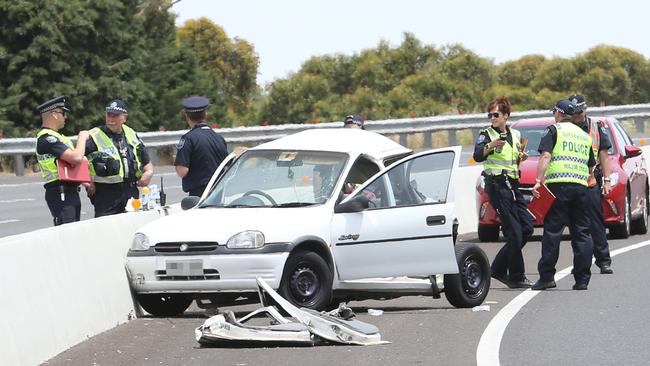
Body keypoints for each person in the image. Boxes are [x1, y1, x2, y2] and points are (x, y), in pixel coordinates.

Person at [531, 99, 596, 291]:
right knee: (582, 233)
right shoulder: (584, 135)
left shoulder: (553, 130)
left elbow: (545, 156)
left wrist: (538, 180)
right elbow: (591, 165)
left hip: (557, 187)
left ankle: (547, 277)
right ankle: (582, 280)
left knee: (552, 232)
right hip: (580, 187)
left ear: (558, 114)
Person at [473, 96, 534, 288]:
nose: (492, 118)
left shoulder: (515, 135)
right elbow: (476, 156)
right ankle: (516, 276)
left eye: (496, 114)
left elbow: (513, 160)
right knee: (514, 232)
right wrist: (490, 146)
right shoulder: (487, 134)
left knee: (527, 227)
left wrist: (521, 158)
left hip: (513, 185)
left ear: (506, 116)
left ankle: (498, 268)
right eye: (490, 115)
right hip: (498, 186)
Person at [85, 99, 154, 217]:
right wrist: (87, 183)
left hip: (131, 192)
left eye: (115, 116)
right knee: (107, 231)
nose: (111, 119)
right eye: (109, 115)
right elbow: (79, 160)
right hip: (106, 195)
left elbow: (146, 161)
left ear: (124, 118)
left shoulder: (131, 133)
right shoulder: (94, 135)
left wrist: (148, 173)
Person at [569, 94, 614, 274]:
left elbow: (603, 155)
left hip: (590, 181)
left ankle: (603, 261)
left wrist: (607, 179)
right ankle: (580, 263)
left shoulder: (596, 127)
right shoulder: (565, 128)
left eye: (580, 111)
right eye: (574, 112)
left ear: (585, 109)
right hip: (571, 182)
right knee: (576, 226)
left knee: (595, 222)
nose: (578, 115)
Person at [35, 96, 89, 226]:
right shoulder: (47, 138)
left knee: (74, 231)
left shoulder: (59, 137)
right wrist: (82, 138)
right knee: (66, 232)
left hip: (69, 190)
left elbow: (68, 167)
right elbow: (76, 158)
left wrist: (86, 183)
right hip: (59, 191)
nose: (65, 117)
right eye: (63, 113)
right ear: (54, 114)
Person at [174, 96, 228, 197]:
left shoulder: (188, 139)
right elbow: (226, 167)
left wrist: (177, 161)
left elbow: (182, 171)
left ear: (187, 117)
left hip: (198, 195)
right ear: (205, 115)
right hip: (218, 193)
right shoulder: (219, 138)